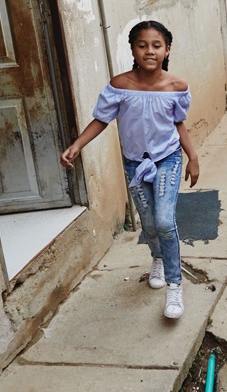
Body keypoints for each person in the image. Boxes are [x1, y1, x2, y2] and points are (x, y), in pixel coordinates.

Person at [60, 21, 199, 319]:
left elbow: (178, 124)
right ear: (133, 50)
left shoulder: (176, 86)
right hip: (136, 163)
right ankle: (158, 258)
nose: (150, 51)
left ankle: (175, 284)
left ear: (167, 50)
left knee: (164, 220)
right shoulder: (120, 86)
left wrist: (193, 156)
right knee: (148, 224)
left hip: (168, 159)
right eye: (142, 45)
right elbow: (101, 119)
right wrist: (77, 145)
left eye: (156, 45)